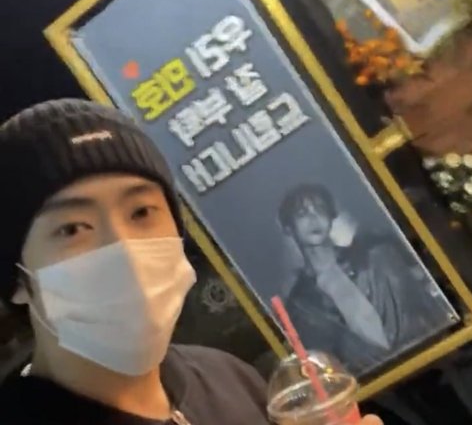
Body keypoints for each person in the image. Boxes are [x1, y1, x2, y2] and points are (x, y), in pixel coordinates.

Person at [0, 99, 381, 425]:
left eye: (141, 212)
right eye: (71, 229)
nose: (126, 252)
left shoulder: (224, 377)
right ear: (17, 279)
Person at [279, 183, 448, 376]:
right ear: (288, 228)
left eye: (320, 209)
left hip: (437, 358)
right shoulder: (301, 304)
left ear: (331, 215)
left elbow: (429, 303)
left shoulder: (377, 255)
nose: (314, 218)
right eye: (302, 214)